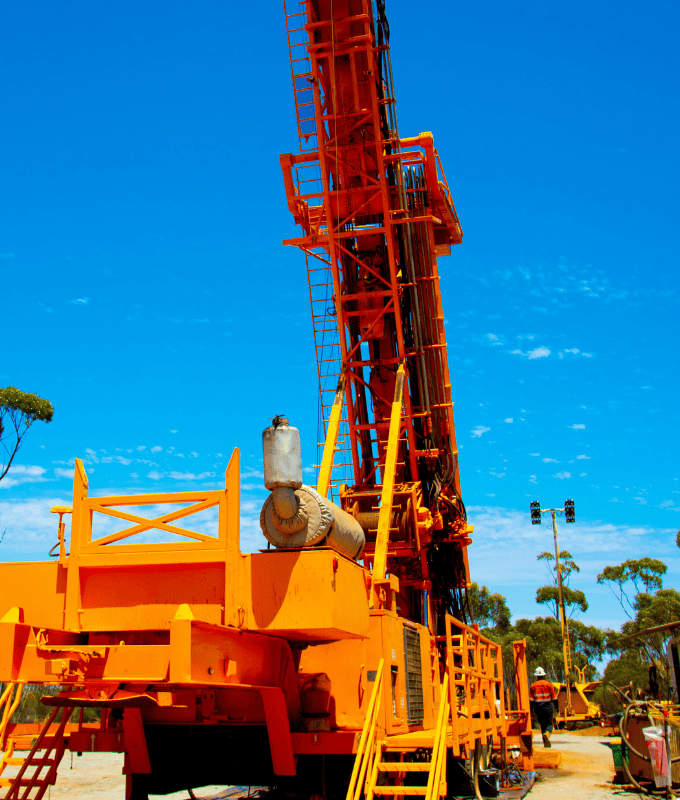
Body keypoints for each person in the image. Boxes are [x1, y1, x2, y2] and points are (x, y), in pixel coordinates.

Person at [529, 667, 558, 747]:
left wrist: (531, 711)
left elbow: (531, 700)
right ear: (543, 675)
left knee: (542, 725)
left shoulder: (533, 686)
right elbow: (554, 698)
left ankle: (545, 742)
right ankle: (547, 734)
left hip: (538, 708)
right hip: (548, 707)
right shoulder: (548, 684)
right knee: (549, 725)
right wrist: (557, 707)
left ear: (537, 676)